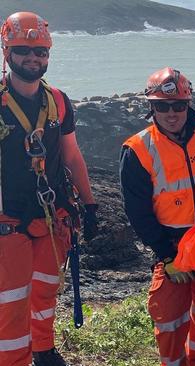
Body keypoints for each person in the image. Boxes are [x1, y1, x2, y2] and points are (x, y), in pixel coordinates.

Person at [0, 12, 98, 366]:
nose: (33, 58)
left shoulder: (57, 101)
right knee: (11, 302)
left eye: (40, 51)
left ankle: (42, 349)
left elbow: (71, 155)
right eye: (24, 49)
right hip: (8, 221)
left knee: (44, 291)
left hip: (53, 217)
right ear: (7, 50)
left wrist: (89, 204)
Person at [120, 67, 195, 366]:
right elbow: (138, 212)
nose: (171, 113)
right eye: (162, 106)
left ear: (189, 105)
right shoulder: (138, 149)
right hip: (171, 245)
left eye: (179, 105)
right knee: (169, 321)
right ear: (151, 107)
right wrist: (166, 255)